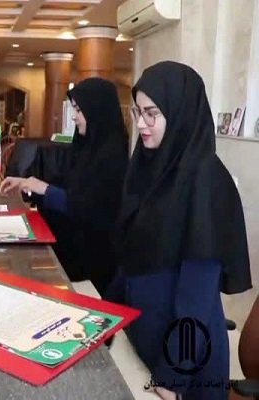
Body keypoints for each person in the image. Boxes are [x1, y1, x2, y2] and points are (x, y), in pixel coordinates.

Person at [107, 61, 252, 400]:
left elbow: (197, 300)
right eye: (138, 112)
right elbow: (131, 257)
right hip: (146, 340)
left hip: (187, 363)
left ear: (179, 112)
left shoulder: (206, 180)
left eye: (152, 114)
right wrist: (105, 313)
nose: (141, 124)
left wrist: (172, 376)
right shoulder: (149, 165)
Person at [0, 77, 129, 295]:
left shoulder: (112, 157)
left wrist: (44, 189)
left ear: (97, 110)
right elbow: (66, 186)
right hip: (69, 256)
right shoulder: (83, 148)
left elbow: (87, 208)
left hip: (94, 267)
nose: (74, 116)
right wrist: (27, 184)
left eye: (79, 110)